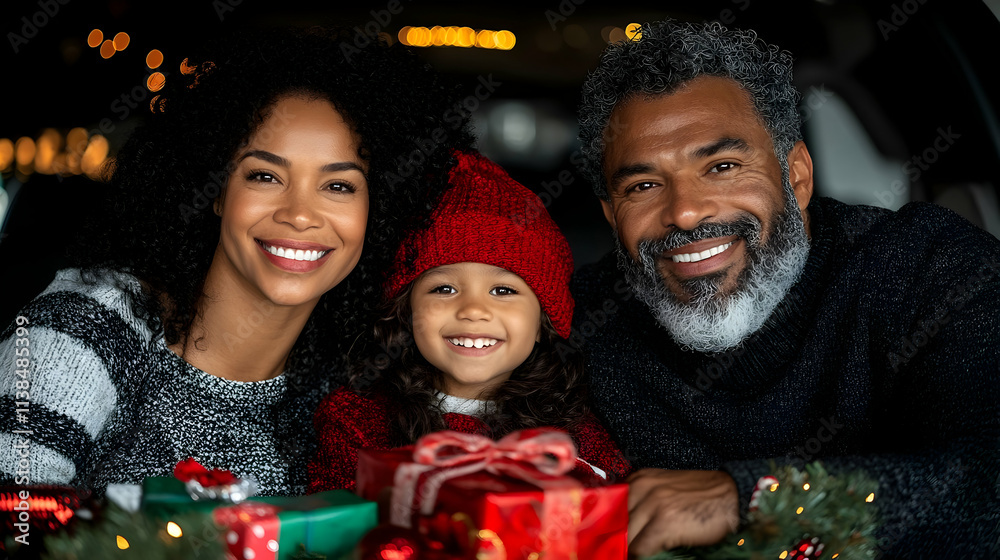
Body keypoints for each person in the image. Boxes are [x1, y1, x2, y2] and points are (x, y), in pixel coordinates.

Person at [571, 19, 1000, 558]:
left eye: (723, 166)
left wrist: (750, 498)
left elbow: (991, 477)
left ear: (795, 175)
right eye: (644, 185)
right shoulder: (578, 319)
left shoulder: (929, 269)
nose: (683, 212)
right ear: (612, 216)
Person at [0, 27, 472, 497]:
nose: (300, 214)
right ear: (216, 193)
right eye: (265, 176)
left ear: (377, 212)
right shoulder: (90, 323)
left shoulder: (347, 392)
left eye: (339, 186)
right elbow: (14, 522)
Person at [308, 151, 630, 493]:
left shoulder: (575, 436)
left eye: (503, 290)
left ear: (543, 323)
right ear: (406, 312)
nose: (473, 310)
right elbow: (334, 531)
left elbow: (611, 520)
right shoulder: (356, 421)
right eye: (444, 288)